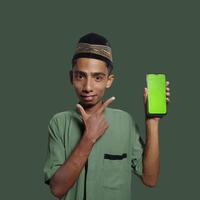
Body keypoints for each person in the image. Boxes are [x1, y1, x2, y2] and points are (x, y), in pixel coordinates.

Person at [43, 32, 171, 200]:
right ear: (71, 77)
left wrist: (152, 122)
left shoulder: (125, 121)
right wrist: (88, 138)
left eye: (97, 77)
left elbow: (150, 179)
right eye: (80, 76)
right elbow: (57, 189)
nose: (87, 87)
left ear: (109, 80)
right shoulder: (59, 123)